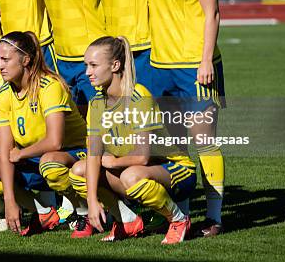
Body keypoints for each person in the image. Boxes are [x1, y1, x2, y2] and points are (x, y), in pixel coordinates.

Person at [137, 0, 226, 237]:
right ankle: (183, 214)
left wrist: (206, 62)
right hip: (160, 66)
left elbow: (212, 14)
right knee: (173, 145)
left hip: (194, 66)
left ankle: (215, 216)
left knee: (203, 141)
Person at [69, 36, 196, 244]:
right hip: (135, 170)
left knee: (130, 175)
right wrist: (91, 200)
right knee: (79, 171)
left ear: (115, 65)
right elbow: (93, 153)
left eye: (93, 65)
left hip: (175, 170)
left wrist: (113, 162)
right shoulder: (96, 103)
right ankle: (126, 220)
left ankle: (179, 219)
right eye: (86, 66)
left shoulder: (139, 97)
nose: (87, 73)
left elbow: (143, 156)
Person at [0, 32, 87, 236]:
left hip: (75, 154)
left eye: (6, 59)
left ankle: (84, 212)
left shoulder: (49, 86)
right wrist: (9, 200)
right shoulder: (3, 94)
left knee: (50, 163)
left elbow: (55, 141)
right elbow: (6, 150)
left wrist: (21, 154)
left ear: (26, 60)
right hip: (35, 157)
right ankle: (42, 212)